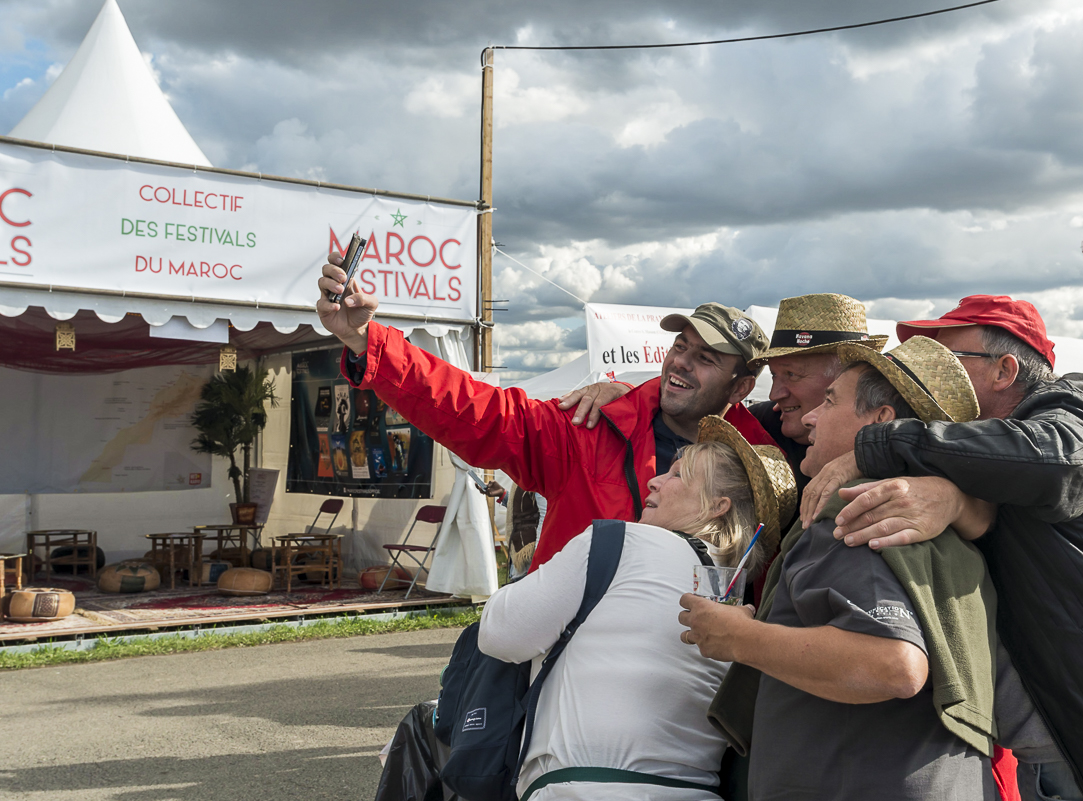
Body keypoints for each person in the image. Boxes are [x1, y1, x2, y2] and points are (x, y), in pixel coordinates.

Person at [803, 295, 1083, 801]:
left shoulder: (1074, 404)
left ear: (1004, 370)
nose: (932, 372)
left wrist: (880, 442)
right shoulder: (971, 453)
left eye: (950, 359)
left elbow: (1061, 465)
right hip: (1067, 749)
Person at [682, 336, 1000, 800]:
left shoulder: (856, 515)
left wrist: (738, 638)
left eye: (829, 401)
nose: (809, 415)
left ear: (881, 422)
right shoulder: (947, 530)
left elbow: (894, 665)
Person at [317, 258, 777, 571]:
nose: (680, 362)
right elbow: (479, 411)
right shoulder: (590, 423)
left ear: (741, 388)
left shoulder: (764, 466)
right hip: (575, 666)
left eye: (706, 359)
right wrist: (368, 342)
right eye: (681, 346)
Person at [477, 417, 797, 800]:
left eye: (677, 475)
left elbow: (499, 632)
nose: (654, 480)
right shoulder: (739, 609)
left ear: (717, 506)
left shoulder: (620, 540)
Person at [559, 293, 887, 489]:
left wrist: (936, 492)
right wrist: (622, 392)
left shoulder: (902, 445)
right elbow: (705, 405)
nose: (774, 394)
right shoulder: (761, 428)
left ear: (844, 378)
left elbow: (933, 443)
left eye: (792, 375)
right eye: (773, 375)